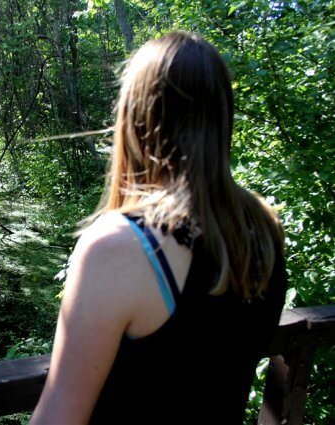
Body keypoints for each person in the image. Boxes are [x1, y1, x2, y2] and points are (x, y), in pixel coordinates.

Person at [30, 31, 288, 424]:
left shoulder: (118, 246)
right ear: (221, 119)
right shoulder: (262, 230)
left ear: (134, 119)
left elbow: (59, 417)